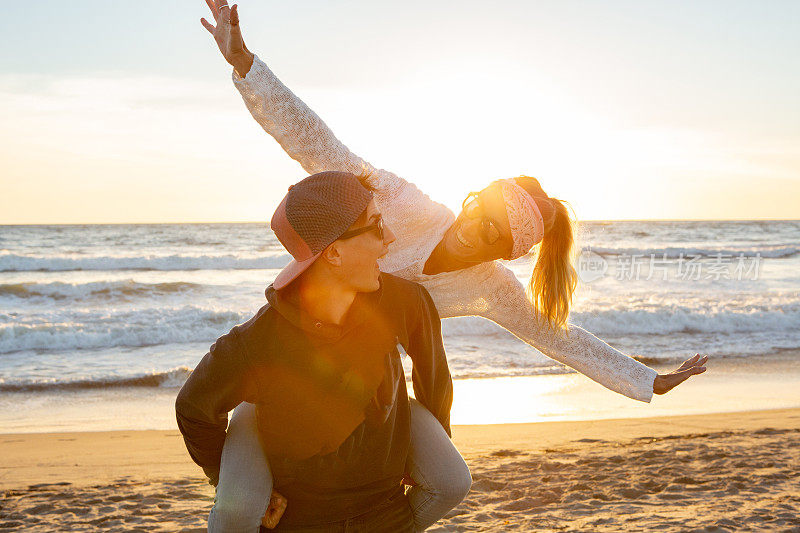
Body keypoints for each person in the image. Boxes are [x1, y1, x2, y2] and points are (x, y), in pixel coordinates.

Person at [198, 1, 709, 529]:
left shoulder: (489, 286)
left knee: (450, 482)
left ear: (507, 252)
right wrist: (246, 65)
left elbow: (559, 337)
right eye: (479, 212)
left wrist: (648, 380)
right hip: (295, 362)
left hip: (372, 386)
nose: (472, 231)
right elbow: (320, 147)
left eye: (493, 235)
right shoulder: (405, 204)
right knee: (242, 508)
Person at [176, 171, 463, 532]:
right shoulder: (257, 342)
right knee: (235, 513)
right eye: (375, 226)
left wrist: (423, 452)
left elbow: (433, 374)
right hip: (298, 497)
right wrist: (226, 477)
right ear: (334, 254)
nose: (390, 237)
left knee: (454, 482)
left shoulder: (405, 301)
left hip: (381, 503)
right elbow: (193, 407)